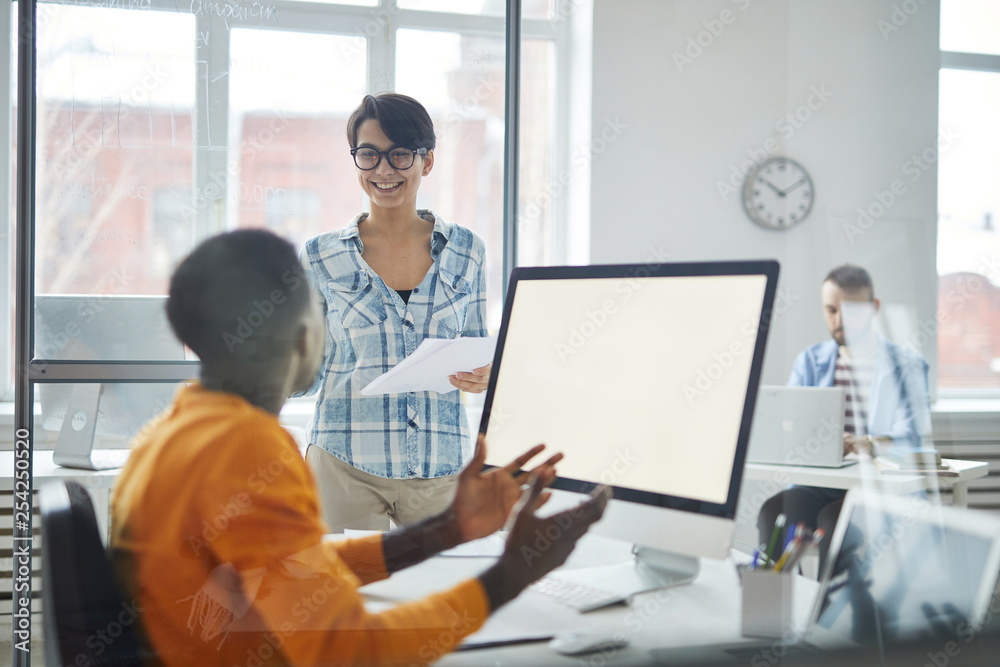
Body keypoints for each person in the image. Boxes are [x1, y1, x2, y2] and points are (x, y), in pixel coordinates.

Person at [110, 229, 608, 666]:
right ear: (306, 338)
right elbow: (349, 654)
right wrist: (510, 576)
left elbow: (293, 570)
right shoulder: (245, 447)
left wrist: (446, 530)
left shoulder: (171, 432)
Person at [298, 93, 490, 531]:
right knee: (342, 594)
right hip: (343, 462)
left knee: (438, 593)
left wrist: (484, 375)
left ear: (427, 161)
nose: (383, 170)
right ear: (357, 162)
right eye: (369, 155)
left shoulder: (468, 252)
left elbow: (477, 352)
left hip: (441, 467)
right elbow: (306, 371)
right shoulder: (320, 256)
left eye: (400, 154)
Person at [756, 264, 931, 572]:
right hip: (822, 483)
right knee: (774, 514)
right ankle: (775, 609)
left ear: (873, 308)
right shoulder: (811, 360)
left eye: (851, 311)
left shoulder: (908, 366)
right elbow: (787, 422)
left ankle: (831, 615)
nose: (838, 321)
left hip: (879, 488)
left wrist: (865, 443)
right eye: (831, 310)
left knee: (833, 520)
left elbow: (911, 436)